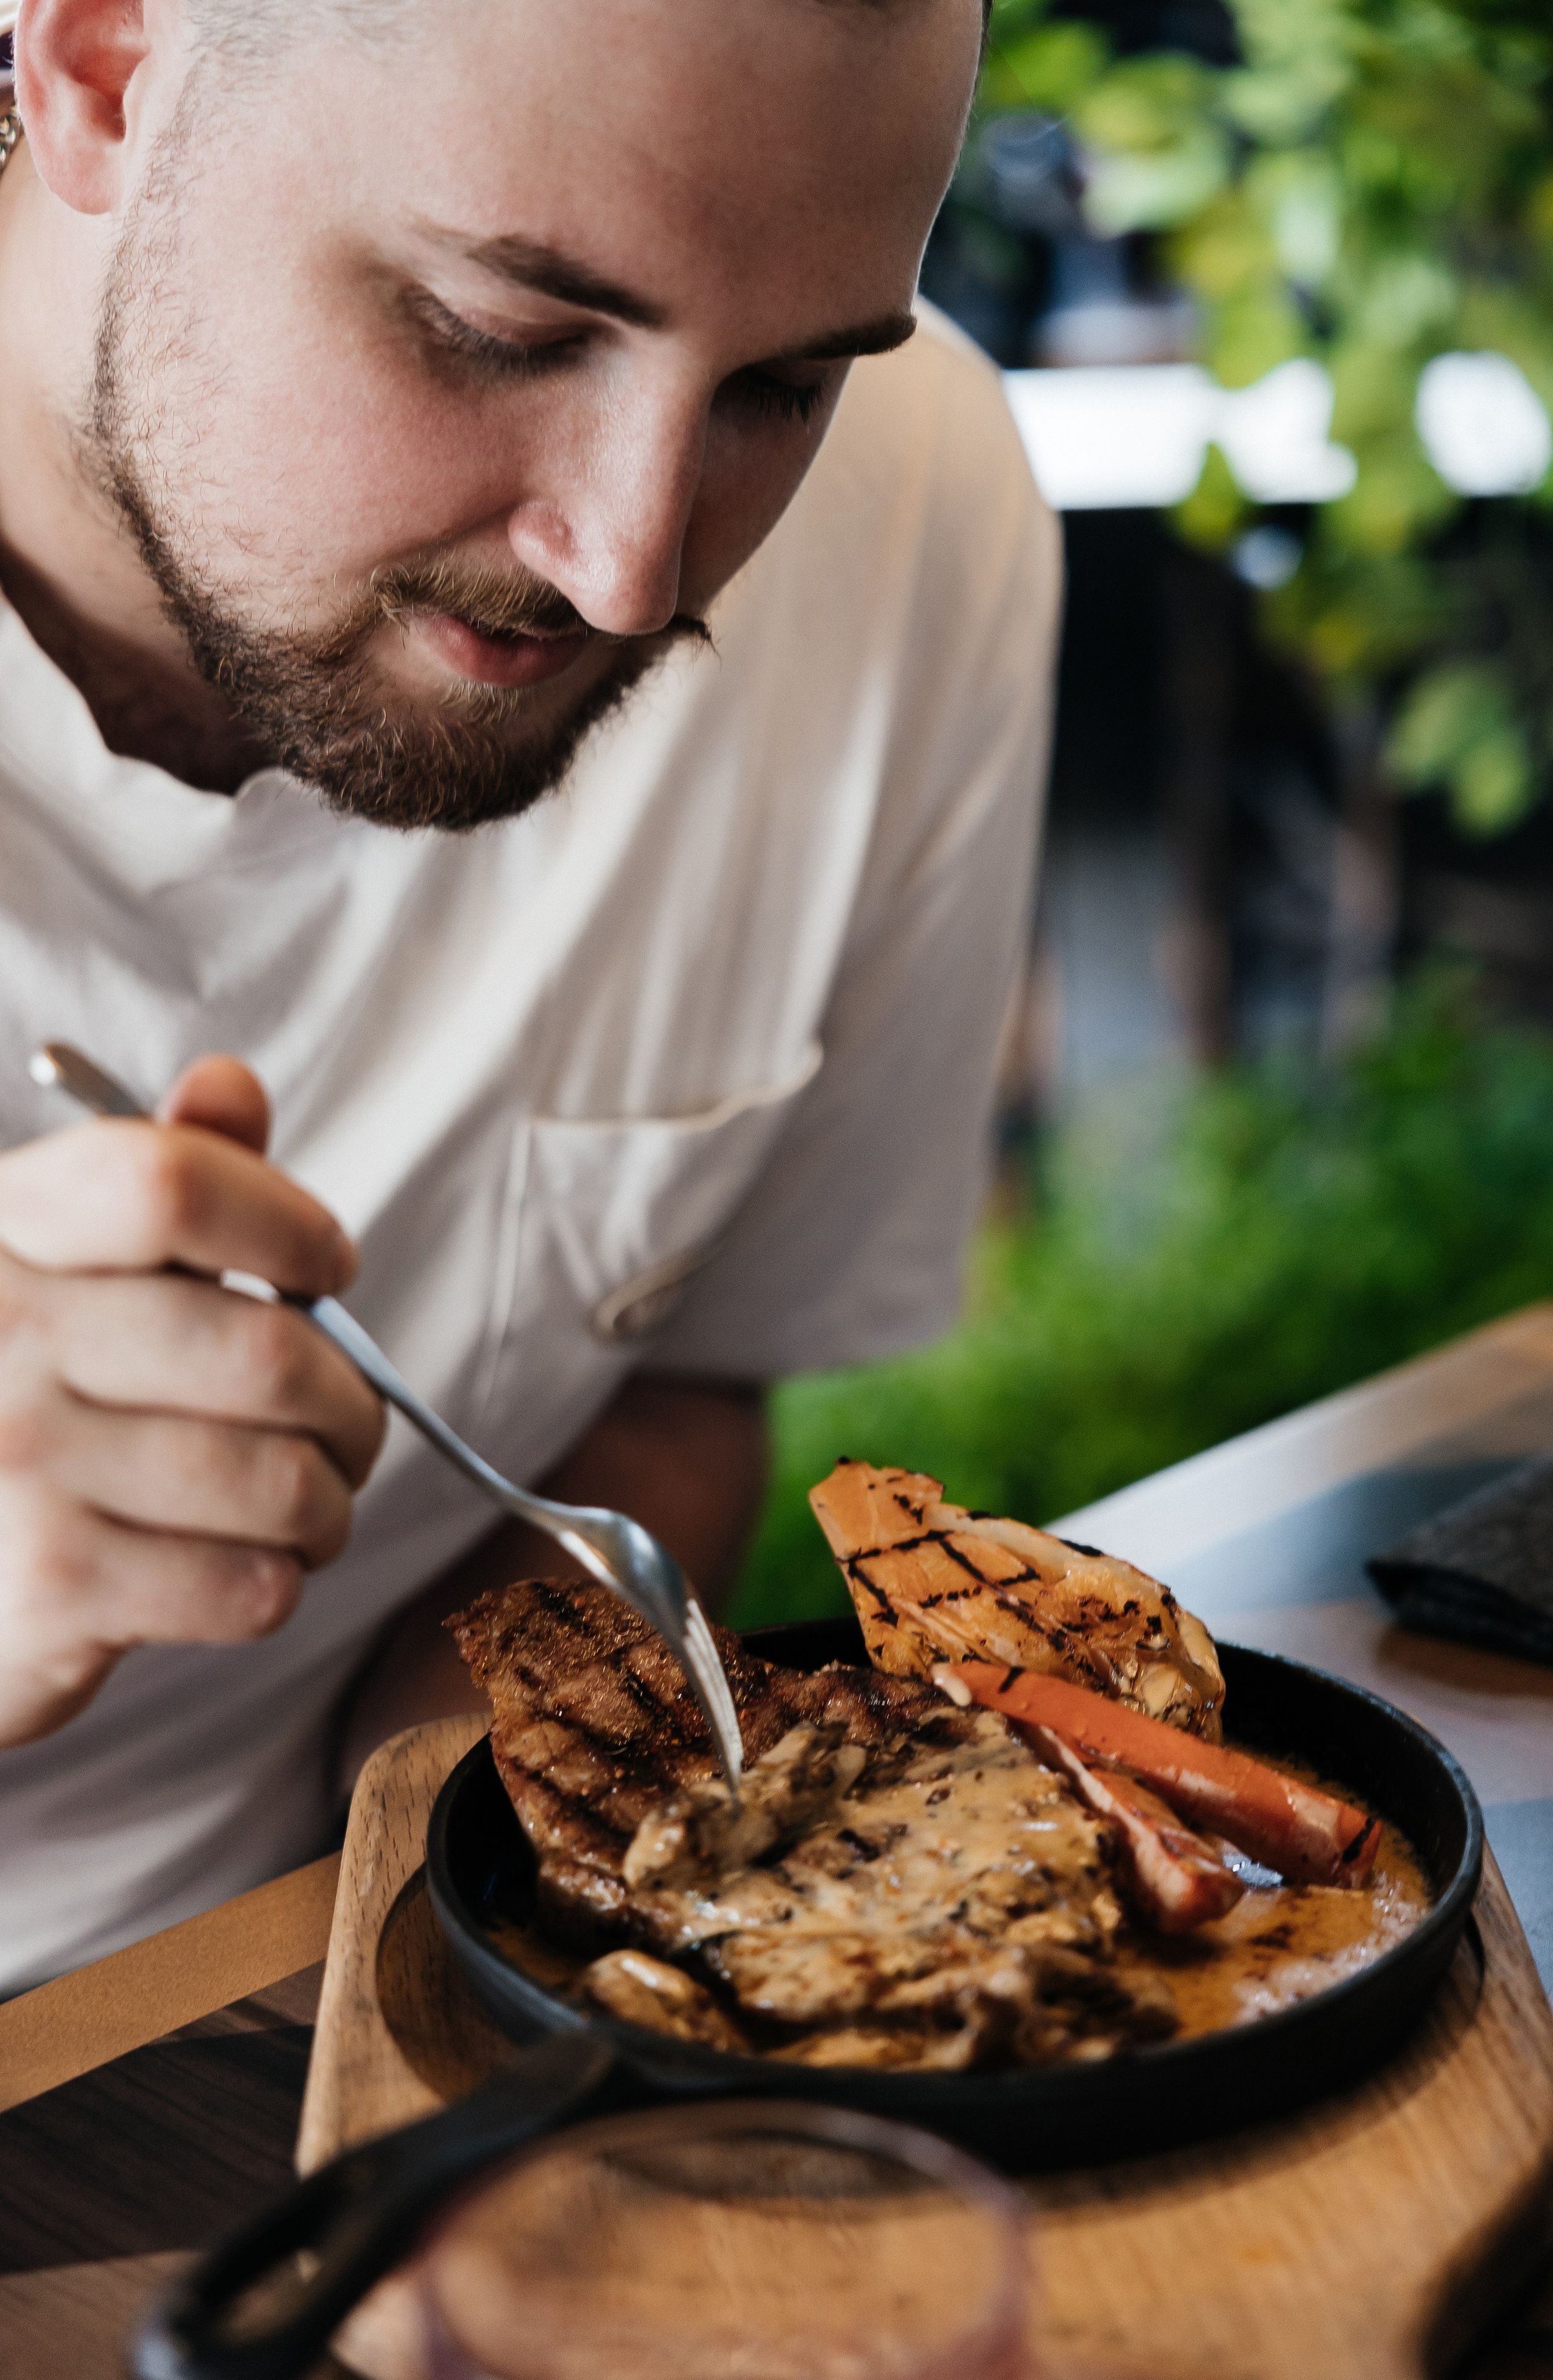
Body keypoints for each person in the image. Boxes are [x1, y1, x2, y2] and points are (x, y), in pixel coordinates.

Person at [0, 0, 1058, 1993]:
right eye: (501, 329)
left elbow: (674, 1397)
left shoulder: (913, 517)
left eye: (781, 387)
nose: (634, 574)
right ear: (107, 70)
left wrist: (438, 1901)